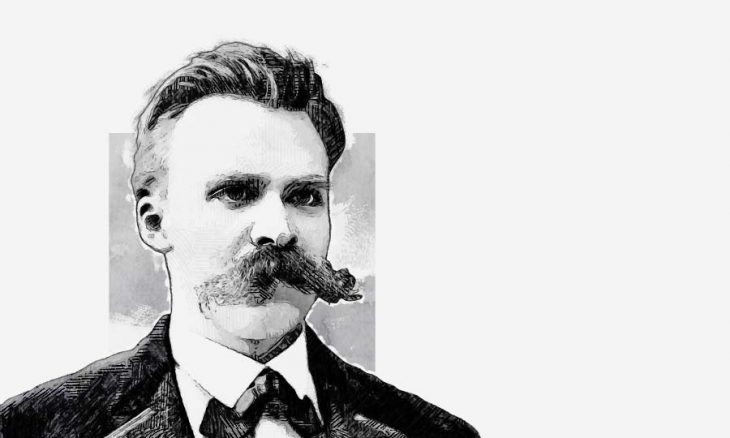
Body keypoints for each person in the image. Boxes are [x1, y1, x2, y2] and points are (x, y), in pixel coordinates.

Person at [0, 42, 479, 438]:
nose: (278, 228)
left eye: (305, 196)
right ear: (154, 222)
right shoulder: (32, 427)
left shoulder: (432, 432)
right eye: (236, 192)